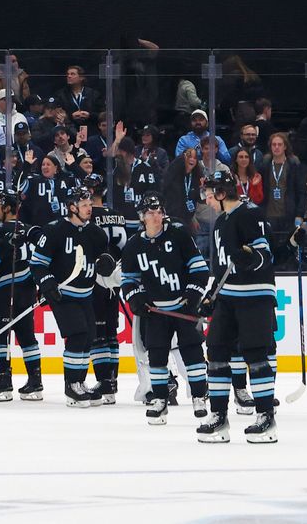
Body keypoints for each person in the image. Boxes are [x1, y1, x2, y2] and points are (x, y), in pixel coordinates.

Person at [196, 171, 277, 443]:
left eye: (210, 193)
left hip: (254, 295)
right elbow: (220, 267)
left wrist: (249, 257)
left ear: (221, 192)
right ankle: (219, 416)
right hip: (228, 297)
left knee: (255, 354)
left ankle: (266, 417)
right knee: (217, 350)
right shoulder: (220, 223)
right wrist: (211, 295)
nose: (208, 200)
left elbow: (265, 255)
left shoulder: (251, 215)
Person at [121, 193, 210, 425]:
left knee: (192, 352)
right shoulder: (133, 246)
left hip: (183, 308)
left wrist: (192, 294)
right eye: (151, 213)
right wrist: (136, 298)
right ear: (142, 217)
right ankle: (160, 399)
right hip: (156, 312)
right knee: (157, 355)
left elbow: (199, 269)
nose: (156, 216)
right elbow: (128, 280)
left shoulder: (179, 235)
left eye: (159, 211)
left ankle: (200, 396)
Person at [30, 186, 111, 407]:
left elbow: (105, 258)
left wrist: (106, 263)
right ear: (72, 207)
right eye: (84, 205)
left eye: (89, 204)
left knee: (88, 336)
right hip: (63, 294)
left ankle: (80, 383)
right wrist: (47, 283)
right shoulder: (54, 230)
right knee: (77, 334)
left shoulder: (95, 233)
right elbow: (37, 264)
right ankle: (71, 385)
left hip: (86, 293)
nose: (89, 208)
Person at [0, 190, 42, 401]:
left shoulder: (0, 230)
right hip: (27, 290)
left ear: (7, 208)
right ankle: (36, 382)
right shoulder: (28, 229)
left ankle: (5, 381)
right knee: (26, 335)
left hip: (5, 290)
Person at [84, 173, 127, 404]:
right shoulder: (118, 216)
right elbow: (125, 247)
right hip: (116, 277)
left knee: (98, 333)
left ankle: (103, 380)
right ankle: (112, 382)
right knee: (111, 332)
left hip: (97, 279)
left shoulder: (88, 218)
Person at [259, 132, 307, 241]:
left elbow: (301, 192)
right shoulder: (265, 165)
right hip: (269, 214)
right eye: (274, 144)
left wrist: (299, 214)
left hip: (288, 214)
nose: (276, 147)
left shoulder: (293, 165)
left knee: (287, 249)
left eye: (279, 144)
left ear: (285, 146)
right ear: (270, 146)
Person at [20, 153, 78, 227]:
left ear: (56, 168)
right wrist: (26, 165)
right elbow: (17, 183)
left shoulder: (66, 180)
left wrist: (74, 166)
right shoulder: (34, 181)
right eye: (43, 165)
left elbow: (87, 181)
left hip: (64, 224)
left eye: (48, 164)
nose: (45, 167)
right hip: (40, 225)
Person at [162, 148, 204, 229]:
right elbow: (163, 186)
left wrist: (203, 190)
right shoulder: (173, 175)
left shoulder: (196, 177)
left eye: (195, 158)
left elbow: (201, 199)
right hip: (170, 220)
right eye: (189, 156)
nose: (192, 159)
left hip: (187, 221)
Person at [54, 65, 104, 134]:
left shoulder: (93, 94)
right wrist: (70, 116)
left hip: (91, 131)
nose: (69, 76)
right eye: (68, 74)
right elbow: (58, 114)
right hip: (69, 132)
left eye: (72, 74)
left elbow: (102, 114)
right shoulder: (61, 94)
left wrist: (89, 115)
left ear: (81, 77)